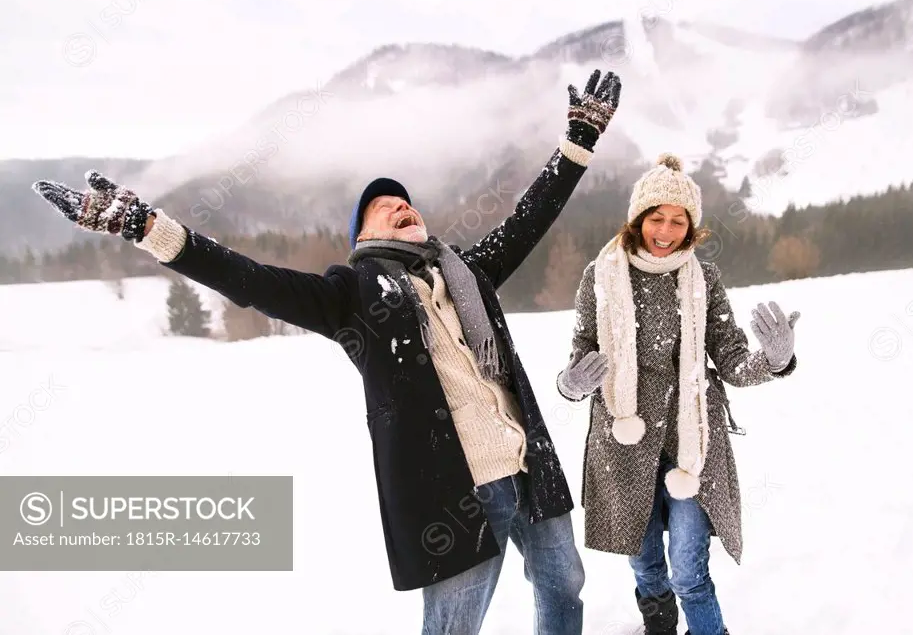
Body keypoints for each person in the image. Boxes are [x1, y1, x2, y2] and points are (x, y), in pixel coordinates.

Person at [31, 69, 623, 635]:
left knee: (564, 582)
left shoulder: (466, 270)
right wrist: (146, 227)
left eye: (404, 199)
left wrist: (578, 142)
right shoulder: (352, 296)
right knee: (452, 625)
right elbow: (249, 278)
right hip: (459, 490)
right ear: (363, 236)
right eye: (382, 204)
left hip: (529, 463)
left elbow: (528, 220)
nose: (400, 203)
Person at [555, 153, 800, 635]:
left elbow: (731, 360)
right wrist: (571, 385)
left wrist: (774, 360)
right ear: (637, 220)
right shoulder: (600, 276)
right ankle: (659, 628)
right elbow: (580, 356)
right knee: (646, 565)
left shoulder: (702, 279)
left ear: (691, 227)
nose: (665, 231)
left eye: (677, 221)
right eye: (656, 218)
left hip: (693, 441)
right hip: (623, 444)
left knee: (689, 570)